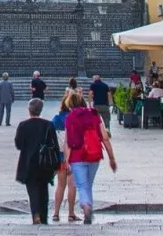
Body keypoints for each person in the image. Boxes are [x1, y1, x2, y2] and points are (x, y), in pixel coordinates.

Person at [63, 93, 116, 225]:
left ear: (70, 105)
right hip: (94, 154)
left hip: (77, 156)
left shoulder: (70, 117)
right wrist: (111, 157)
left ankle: (86, 206)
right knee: (88, 185)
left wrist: (66, 160)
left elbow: (68, 141)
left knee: (82, 185)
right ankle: (88, 207)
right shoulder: (94, 114)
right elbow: (104, 137)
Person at [14, 98, 60, 225]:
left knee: (32, 190)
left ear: (29, 110)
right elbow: (54, 145)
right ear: (41, 110)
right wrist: (57, 164)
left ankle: (36, 214)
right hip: (45, 163)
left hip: (28, 162)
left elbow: (18, 144)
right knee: (43, 189)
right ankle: (44, 216)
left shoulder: (23, 125)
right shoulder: (48, 125)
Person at [52, 91, 80, 223]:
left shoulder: (56, 119)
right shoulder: (76, 119)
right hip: (74, 157)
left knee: (60, 185)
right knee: (72, 185)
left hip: (60, 156)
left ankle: (56, 213)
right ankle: (71, 213)